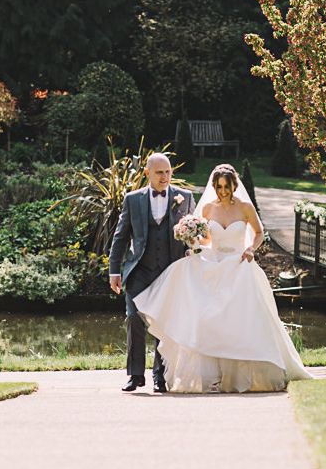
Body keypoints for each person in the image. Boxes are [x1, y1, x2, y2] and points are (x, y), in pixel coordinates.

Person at [132, 163, 312, 392]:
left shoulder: (246, 207)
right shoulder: (208, 209)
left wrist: (250, 249)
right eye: (219, 187)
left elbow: (258, 233)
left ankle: (241, 377)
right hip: (214, 265)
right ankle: (212, 376)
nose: (223, 191)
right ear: (214, 186)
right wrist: (194, 242)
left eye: (227, 186)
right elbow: (207, 240)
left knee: (241, 320)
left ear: (234, 185)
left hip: (239, 265)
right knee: (207, 317)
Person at [108, 153, 196, 392]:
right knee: (134, 317)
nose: (165, 177)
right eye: (159, 172)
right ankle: (135, 375)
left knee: (164, 323)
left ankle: (160, 376)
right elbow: (120, 236)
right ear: (147, 173)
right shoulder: (132, 199)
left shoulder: (185, 197)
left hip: (170, 271)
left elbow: (195, 236)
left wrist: (193, 253)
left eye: (168, 172)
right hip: (139, 270)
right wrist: (114, 271)